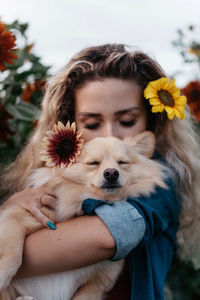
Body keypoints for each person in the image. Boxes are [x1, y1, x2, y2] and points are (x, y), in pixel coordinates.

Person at [1, 44, 200, 300]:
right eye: (92, 124)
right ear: (69, 124)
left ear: (151, 120)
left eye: (127, 121)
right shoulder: (56, 176)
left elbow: (106, 237)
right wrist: (11, 211)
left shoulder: (158, 184)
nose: (109, 135)